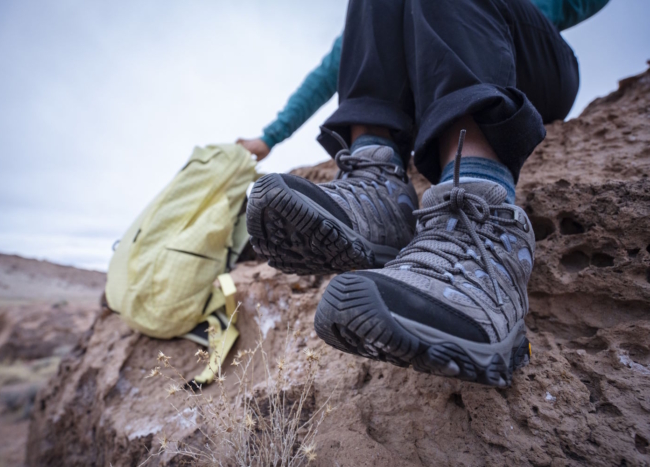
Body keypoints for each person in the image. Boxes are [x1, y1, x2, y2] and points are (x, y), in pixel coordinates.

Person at [245, 0, 609, 387]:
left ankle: (479, 214)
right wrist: (270, 137)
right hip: (429, 85)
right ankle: (379, 184)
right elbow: (336, 64)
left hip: (519, 54)